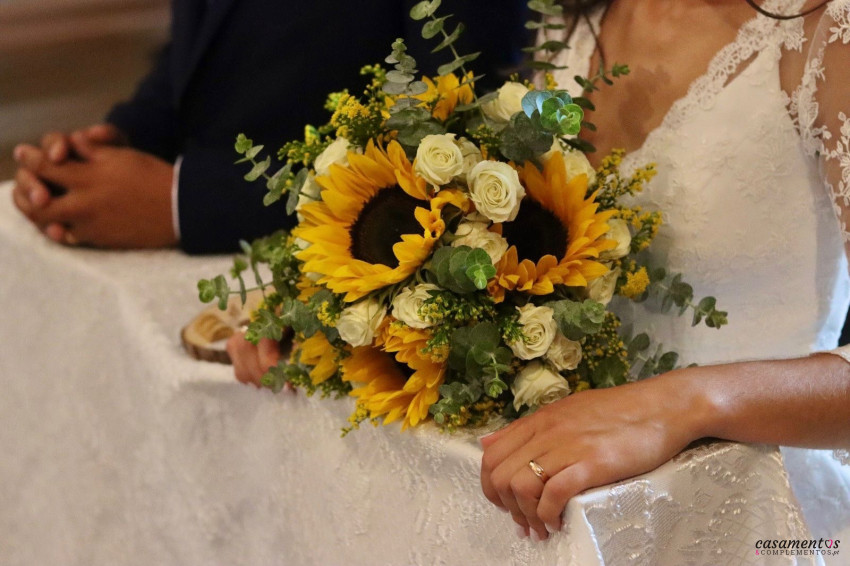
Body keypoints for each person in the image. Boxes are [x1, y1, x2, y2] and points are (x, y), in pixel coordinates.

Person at [230, 0, 850, 550]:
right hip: (557, 493)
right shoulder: (573, 16)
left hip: (761, 512)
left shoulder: (827, 31)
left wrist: (682, 402)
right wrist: (341, 311)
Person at [10, 0, 528, 254]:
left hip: (328, 263)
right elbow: (199, 44)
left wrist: (180, 202)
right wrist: (117, 144)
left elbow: (459, 131)